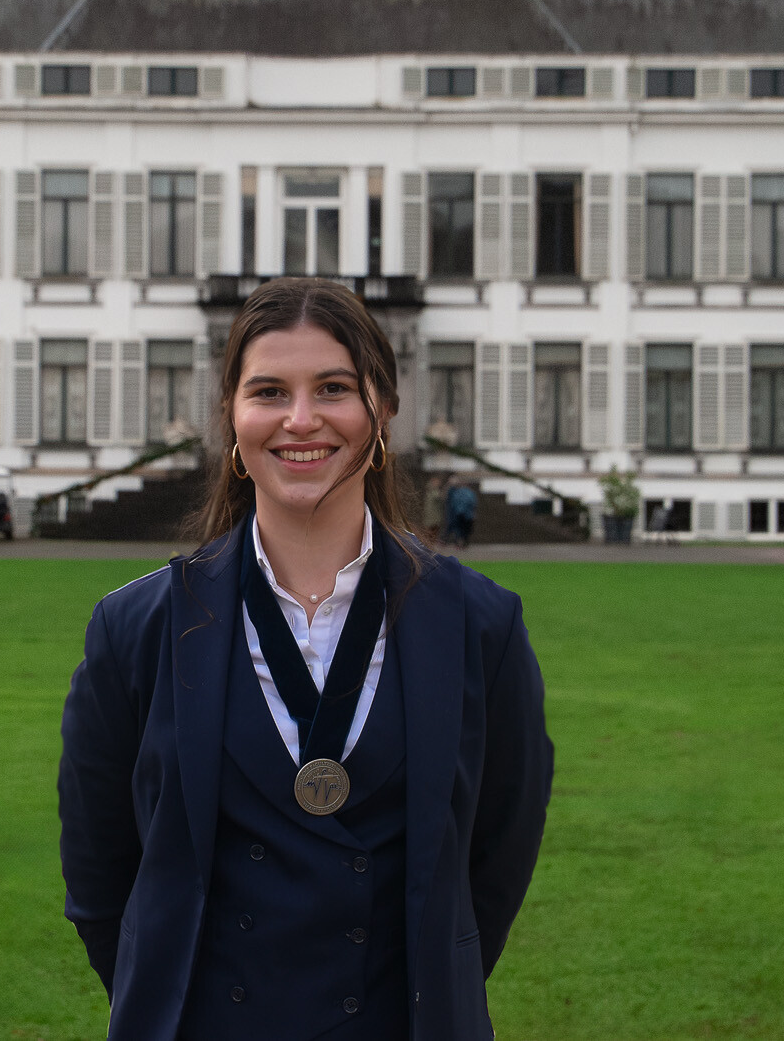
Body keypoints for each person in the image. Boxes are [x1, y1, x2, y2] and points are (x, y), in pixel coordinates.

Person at [58, 277, 554, 1040]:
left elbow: (496, 861)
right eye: (268, 391)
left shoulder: (481, 627)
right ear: (232, 415)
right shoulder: (134, 630)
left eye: (333, 388)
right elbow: (101, 879)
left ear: (382, 410)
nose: (300, 419)